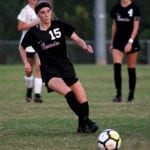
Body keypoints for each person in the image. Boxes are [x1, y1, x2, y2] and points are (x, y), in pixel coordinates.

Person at [19, 0, 99, 133]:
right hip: (49, 71)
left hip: (65, 67)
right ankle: (88, 122)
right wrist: (26, 63)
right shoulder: (33, 33)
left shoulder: (59, 25)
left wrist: (85, 46)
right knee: (68, 92)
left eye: (48, 11)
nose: (46, 15)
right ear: (38, 15)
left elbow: (77, 39)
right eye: (42, 12)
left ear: (51, 12)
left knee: (83, 99)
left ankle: (81, 127)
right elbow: (21, 47)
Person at [109, 0, 141, 102]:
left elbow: (136, 27)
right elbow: (114, 26)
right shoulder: (115, 8)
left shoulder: (135, 8)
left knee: (131, 69)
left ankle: (131, 96)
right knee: (117, 67)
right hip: (118, 41)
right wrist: (112, 42)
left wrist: (130, 42)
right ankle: (118, 95)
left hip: (131, 41)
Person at [17, 0, 43, 103]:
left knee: (39, 67)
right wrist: (33, 23)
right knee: (28, 70)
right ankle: (29, 90)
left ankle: (37, 94)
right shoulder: (25, 10)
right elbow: (20, 27)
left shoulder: (41, 9)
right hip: (28, 44)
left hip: (40, 43)